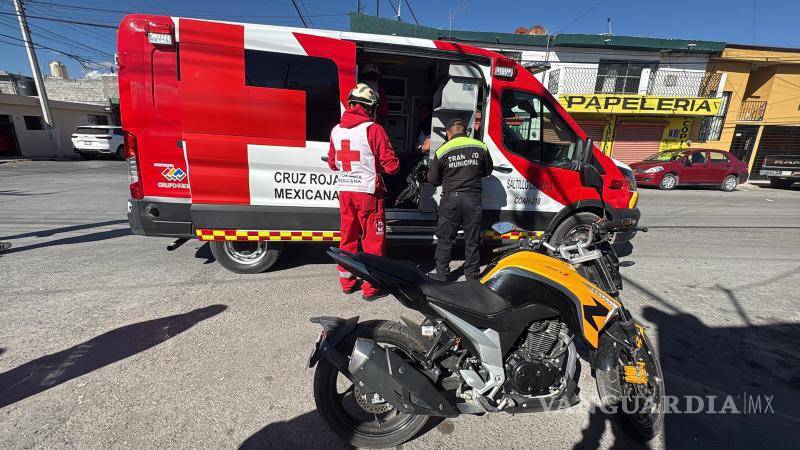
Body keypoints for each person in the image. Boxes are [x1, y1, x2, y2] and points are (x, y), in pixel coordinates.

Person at [328, 83, 399, 300]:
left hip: (345, 191)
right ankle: (371, 288)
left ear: (351, 104)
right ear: (371, 108)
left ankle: (347, 282)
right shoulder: (373, 129)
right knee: (372, 240)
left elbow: (332, 163)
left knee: (347, 237)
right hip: (367, 193)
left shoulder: (336, 130)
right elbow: (391, 166)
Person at [427, 117, 493, 281]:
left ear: (449, 133)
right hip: (473, 199)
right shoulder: (480, 146)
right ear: (466, 131)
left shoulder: (443, 150)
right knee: (473, 239)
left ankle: (442, 274)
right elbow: (487, 170)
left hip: (451, 200)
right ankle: (471, 275)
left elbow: (433, 179)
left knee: (446, 238)